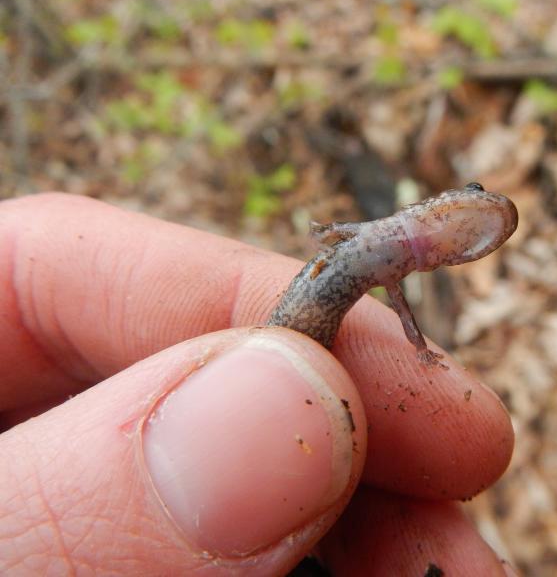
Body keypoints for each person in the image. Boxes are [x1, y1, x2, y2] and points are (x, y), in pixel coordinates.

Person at [0, 193, 517, 576]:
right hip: (296, 344)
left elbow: (336, 240)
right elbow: (382, 292)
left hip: (300, 336)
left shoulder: (381, 244)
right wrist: (420, 353)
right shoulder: (390, 255)